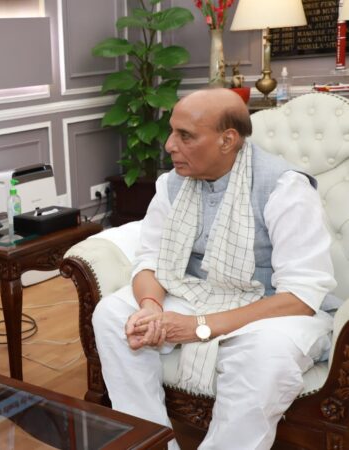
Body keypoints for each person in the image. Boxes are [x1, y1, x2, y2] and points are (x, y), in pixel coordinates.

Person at [92, 88, 337, 450]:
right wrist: (151, 307)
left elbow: (301, 296)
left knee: (265, 353)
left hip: (273, 309)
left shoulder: (284, 187)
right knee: (113, 314)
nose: (169, 146)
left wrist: (200, 326)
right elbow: (151, 260)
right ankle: (152, 444)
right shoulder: (172, 184)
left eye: (185, 136)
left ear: (228, 140)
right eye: (172, 132)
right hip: (195, 292)